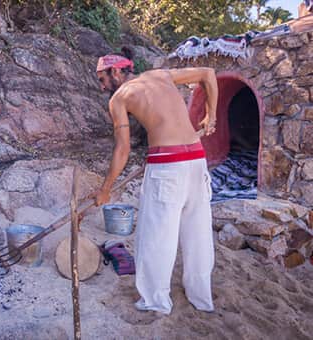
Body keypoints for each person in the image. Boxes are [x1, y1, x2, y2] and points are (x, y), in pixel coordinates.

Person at [92, 48, 218, 315]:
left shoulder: (119, 98)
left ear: (116, 71)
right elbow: (208, 74)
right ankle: (201, 297)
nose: (102, 87)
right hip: (196, 160)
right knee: (198, 234)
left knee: (156, 236)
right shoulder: (161, 75)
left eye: (102, 79)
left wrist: (105, 190)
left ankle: (155, 300)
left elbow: (122, 151)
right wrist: (211, 115)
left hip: (167, 166)